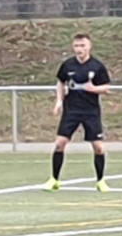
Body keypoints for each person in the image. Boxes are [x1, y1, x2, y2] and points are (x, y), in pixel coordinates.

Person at [44, 34, 111, 192]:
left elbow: (106, 88)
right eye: (76, 46)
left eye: (82, 46)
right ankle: (54, 179)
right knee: (59, 144)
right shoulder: (68, 65)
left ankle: (100, 181)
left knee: (98, 147)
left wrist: (94, 89)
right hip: (71, 110)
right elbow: (61, 82)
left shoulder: (97, 66)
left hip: (91, 111)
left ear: (89, 47)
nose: (79, 49)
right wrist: (59, 101)